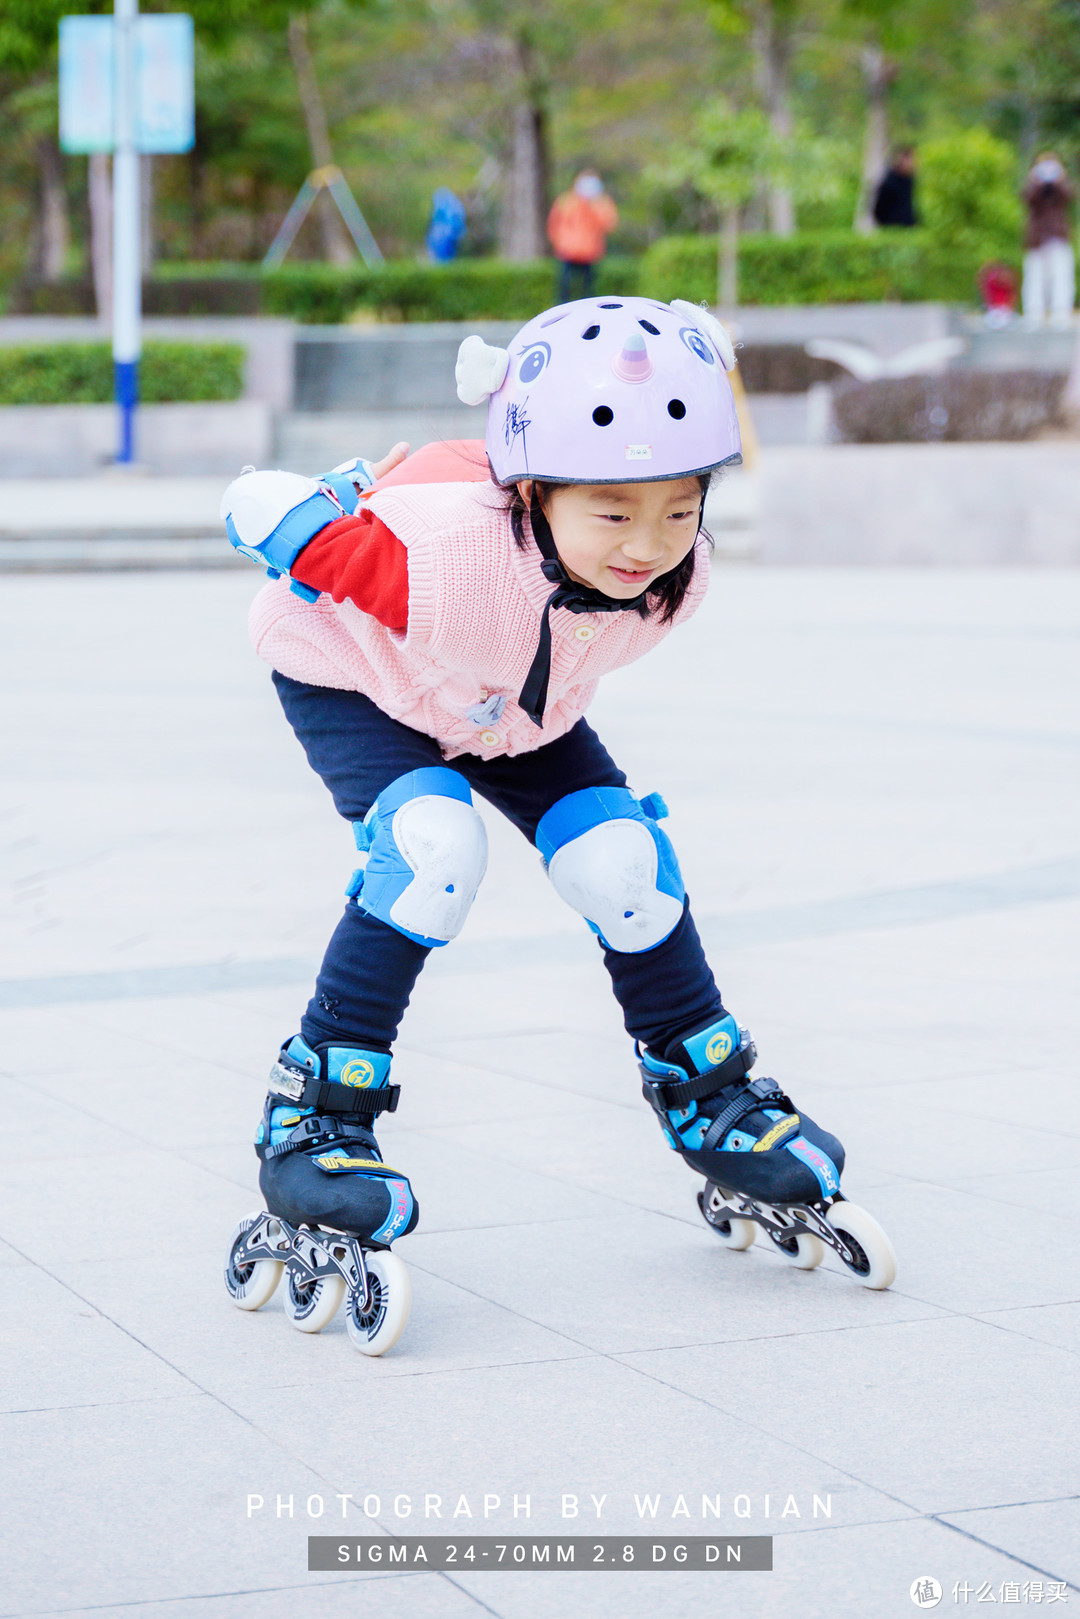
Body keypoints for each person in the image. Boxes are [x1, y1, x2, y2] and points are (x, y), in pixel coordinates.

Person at [220, 295, 896, 1348]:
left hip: (507, 703)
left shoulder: (678, 578)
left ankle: (706, 1091)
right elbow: (254, 504)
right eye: (614, 513)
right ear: (530, 496)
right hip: (360, 677)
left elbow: (557, 645)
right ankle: (312, 1118)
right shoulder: (438, 558)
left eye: (680, 508)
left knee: (623, 859)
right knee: (433, 850)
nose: (649, 545)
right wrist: (340, 499)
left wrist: (628, 560)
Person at [546, 169, 618, 302]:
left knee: (588, 290)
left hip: (590, 253)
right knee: (564, 288)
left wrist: (593, 206)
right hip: (567, 252)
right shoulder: (566, 200)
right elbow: (554, 223)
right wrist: (559, 243)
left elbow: (609, 224)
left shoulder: (601, 203)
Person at [1021, 153, 1075, 326]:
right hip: (1036, 238)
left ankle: (1061, 312)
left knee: (1061, 275)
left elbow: (1070, 196)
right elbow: (1027, 198)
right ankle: (1033, 313)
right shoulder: (1033, 185)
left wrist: (1059, 180)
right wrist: (1036, 181)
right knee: (1034, 276)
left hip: (1058, 236)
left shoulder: (1061, 186)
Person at [872, 147, 918, 228]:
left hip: (909, 227)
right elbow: (879, 208)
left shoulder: (910, 181)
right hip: (891, 226)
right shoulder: (889, 182)